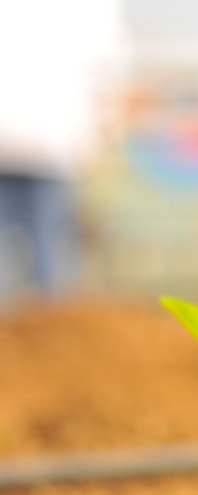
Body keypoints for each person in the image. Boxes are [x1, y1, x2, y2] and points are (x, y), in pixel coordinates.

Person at [0, 1, 125, 301]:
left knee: (37, 247)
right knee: (50, 250)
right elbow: (108, 66)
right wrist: (102, 130)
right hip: (53, 141)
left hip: (41, 139)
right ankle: (48, 316)